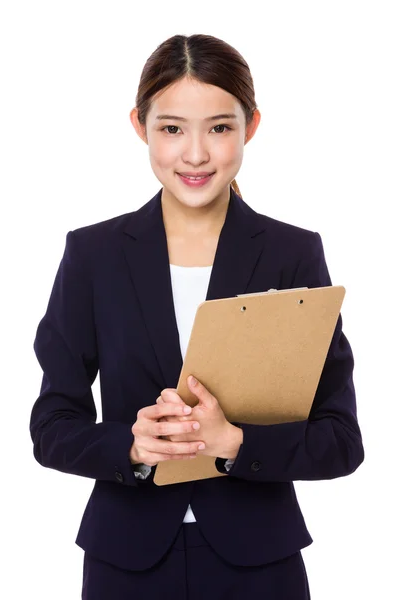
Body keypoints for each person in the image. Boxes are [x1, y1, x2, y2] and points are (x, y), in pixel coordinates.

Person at [29, 33, 364, 599]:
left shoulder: (293, 254)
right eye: (171, 128)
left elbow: (340, 440)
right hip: (126, 561)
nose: (196, 154)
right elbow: (52, 426)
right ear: (140, 126)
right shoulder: (93, 255)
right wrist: (131, 447)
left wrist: (234, 441)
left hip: (260, 562)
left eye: (219, 127)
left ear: (250, 126)